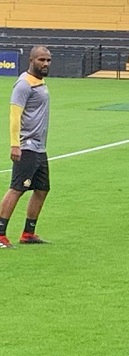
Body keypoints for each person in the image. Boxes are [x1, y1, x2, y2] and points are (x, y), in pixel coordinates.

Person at [0, 46, 52, 248]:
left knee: (42, 189)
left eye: (48, 60)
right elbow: (15, 115)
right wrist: (15, 145)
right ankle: (1, 234)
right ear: (31, 60)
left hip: (39, 147)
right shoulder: (23, 84)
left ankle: (28, 233)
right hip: (27, 146)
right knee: (17, 188)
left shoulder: (39, 82)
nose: (45, 64)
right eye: (41, 60)